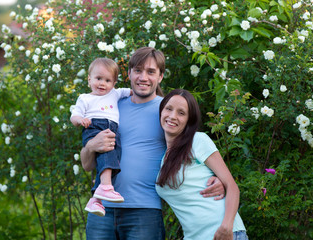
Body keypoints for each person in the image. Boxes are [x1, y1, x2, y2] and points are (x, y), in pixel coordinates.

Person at [80, 47, 225, 239]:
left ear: (161, 76)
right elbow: (87, 164)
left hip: (145, 211)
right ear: (129, 73)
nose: (143, 77)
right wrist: (91, 146)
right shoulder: (109, 106)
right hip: (101, 208)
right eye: (138, 70)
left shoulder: (168, 110)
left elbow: (193, 149)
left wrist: (219, 179)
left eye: (151, 72)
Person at [156, 89, 248, 240]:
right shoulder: (164, 158)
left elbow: (232, 187)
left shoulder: (198, 140)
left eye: (181, 113)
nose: (172, 116)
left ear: (189, 120)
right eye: (169, 109)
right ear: (161, 111)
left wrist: (227, 226)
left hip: (223, 233)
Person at [70, 58, 131, 217]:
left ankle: (96, 200)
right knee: (109, 154)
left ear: (114, 83)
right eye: (98, 79)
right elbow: (74, 116)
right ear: (89, 79)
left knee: (113, 159)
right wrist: (80, 120)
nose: (102, 83)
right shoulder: (85, 98)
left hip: (112, 128)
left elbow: (132, 92)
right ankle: (105, 187)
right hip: (94, 127)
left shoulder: (115, 93)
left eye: (108, 80)